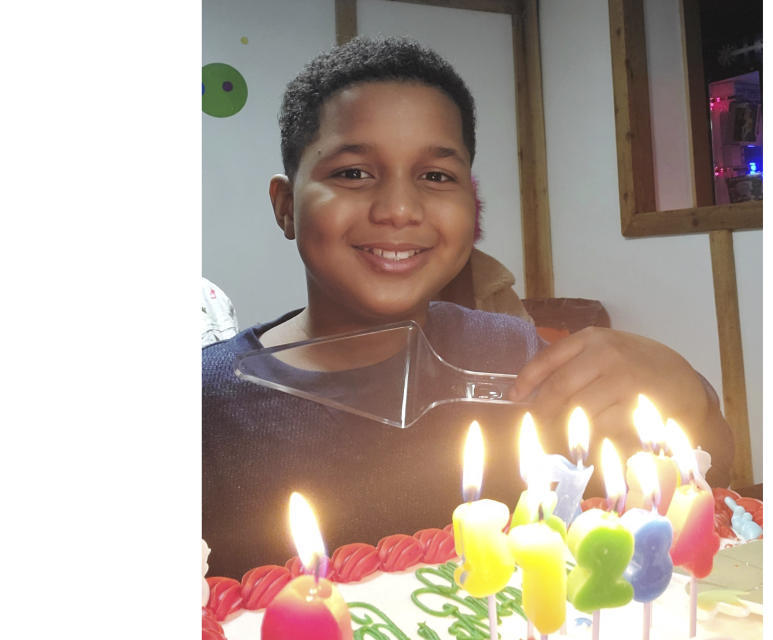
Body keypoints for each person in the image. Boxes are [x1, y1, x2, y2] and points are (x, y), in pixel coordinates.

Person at [203, 37, 733, 578]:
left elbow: (679, 500)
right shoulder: (207, 405)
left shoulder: (517, 356)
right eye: (353, 173)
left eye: (436, 176)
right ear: (286, 205)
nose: (400, 210)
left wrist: (689, 399)